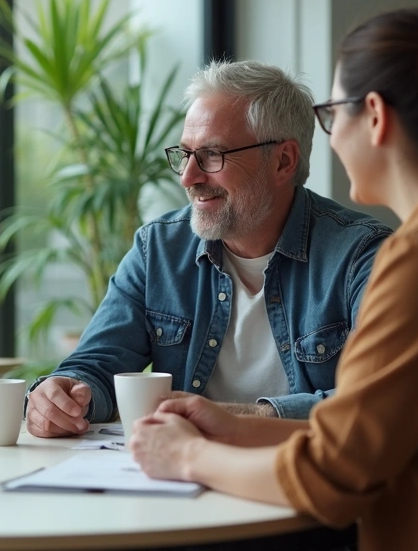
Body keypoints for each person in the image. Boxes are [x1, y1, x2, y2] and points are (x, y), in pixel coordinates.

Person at [129, 9, 418, 550]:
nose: (327, 140)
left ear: (375, 116)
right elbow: (367, 432)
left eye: (331, 115)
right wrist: (233, 427)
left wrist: (188, 456)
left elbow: (330, 479)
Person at [25, 60, 392, 437]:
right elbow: (96, 364)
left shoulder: (363, 256)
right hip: (180, 476)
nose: (188, 177)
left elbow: (381, 400)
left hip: (303, 480)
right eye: (185, 154)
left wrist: (239, 419)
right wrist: (64, 395)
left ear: (283, 161)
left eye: (212, 155)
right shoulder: (158, 250)